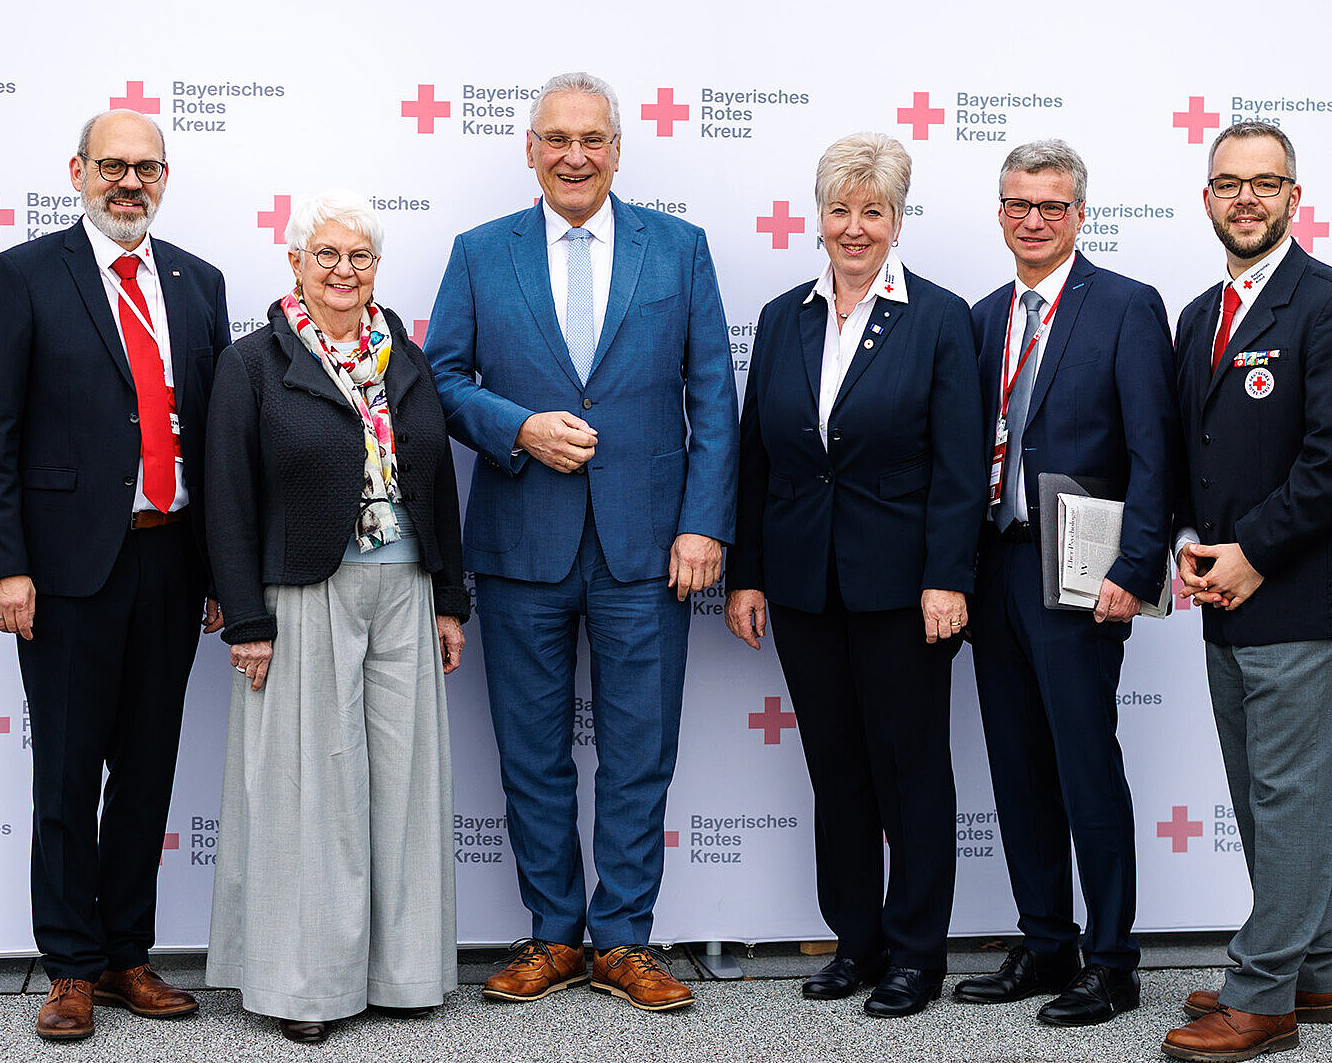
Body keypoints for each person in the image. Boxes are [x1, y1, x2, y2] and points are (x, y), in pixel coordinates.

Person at [424, 71, 737, 1013]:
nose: (574, 155)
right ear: (529, 150)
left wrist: (703, 522)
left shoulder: (678, 249)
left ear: (617, 150)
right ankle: (555, 933)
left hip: (649, 546)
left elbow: (714, 396)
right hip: (522, 542)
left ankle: (625, 937)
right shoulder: (480, 252)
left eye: (591, 138)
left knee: (641, 749)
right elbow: (440, 381)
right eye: (556, 139)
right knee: (532, 751)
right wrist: (518, 427)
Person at [0, 109, 231, 1041]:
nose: (129, 182)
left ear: (165, 177)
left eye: (146, 167)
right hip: (67, 570)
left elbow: (214, 440)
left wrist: (219, 573)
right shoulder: (24, 276)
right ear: (77, 170)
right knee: (70, 774)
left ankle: (126, 955)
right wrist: (4, 566)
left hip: (171, 559)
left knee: (148, 772)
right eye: (112, 164)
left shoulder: (198, 282)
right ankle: (70, 966)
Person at [724, 132, 984, 1018]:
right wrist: (748, 574)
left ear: (898, 219)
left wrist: (948, 576)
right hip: (804, 586)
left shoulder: (939, 317)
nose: (855, 226)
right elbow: (757, 456)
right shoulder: (783, 316)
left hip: (905, 590)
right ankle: (855, 940)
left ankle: (915, 952)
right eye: (840, 209)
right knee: (835, 770)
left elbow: (960, 465)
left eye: (874, 210)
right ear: (820, 216)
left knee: (911, 771)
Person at [202, 191, 468, 1044]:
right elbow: (227, 496)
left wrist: (450, 599)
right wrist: (246, 619)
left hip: (406, 586)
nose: (343, 271)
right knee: (311, 790)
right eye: (326, 254)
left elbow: (438, 479)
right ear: (295, 263)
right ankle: (306, 987)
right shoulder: (252, 363)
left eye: (359, 256)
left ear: (376, 267)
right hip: (302, 592)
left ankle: (403, 972)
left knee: (406, 784)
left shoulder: (406, 357)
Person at [1160, 122, 1332, 1063]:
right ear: (1207, 198)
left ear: (1295, 197)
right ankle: (1312, 971)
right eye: (1229, 183)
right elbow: (1193, 454)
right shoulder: (1196, 318)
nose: (1246, 198)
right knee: (1266, 804)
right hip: (1228, 602)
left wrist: (1251, 550)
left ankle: (1262, 997)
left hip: (1310, 601)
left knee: (1291, 801)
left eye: (1265, 183)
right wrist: (1187, 542)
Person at [953, 139, 1177, 1027]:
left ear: (1081, 213)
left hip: (1083, 576)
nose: (1035, 220)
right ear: (1000, 213)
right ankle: (1046, 942)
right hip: (996, 568)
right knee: (1017, 768)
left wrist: (1136, 567)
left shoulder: (1125, 305)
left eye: (1052, 205)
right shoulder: (980, 318)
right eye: (1019, 204)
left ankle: (1112, 960)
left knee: (1086, 766)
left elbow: (1155, 451)